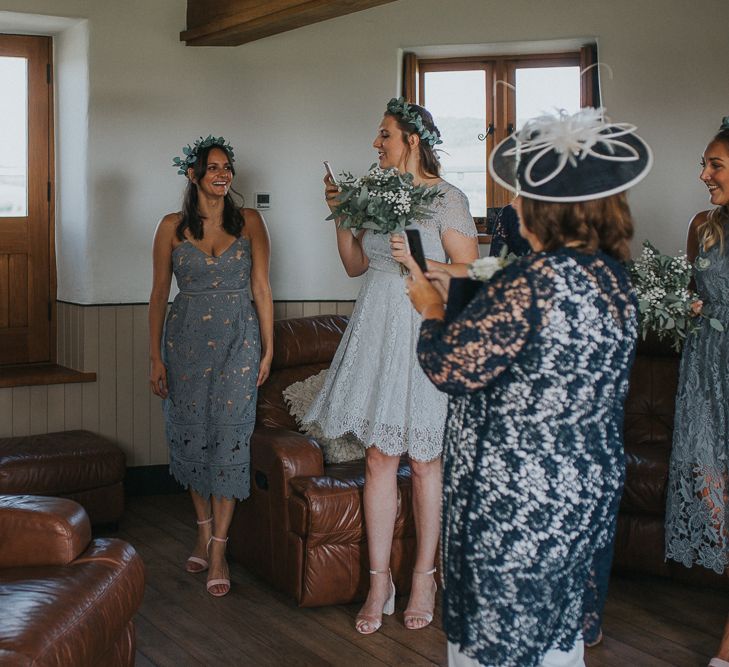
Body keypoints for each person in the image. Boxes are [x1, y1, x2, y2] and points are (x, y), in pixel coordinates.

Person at [403, 108, 652, 666]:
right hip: (581, 488)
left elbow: (450, 366)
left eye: (521, 197)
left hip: (518, 498)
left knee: (501, 646)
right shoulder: (613, 282)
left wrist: (430, 306)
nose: (512, 207)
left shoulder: (534, 282)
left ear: (548, 210)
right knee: (556, 645)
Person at [302, 98, 479, 634]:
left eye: (384, 134)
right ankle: (381, 582)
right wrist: (340, 215)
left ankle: (425, 576)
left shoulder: (448, 199)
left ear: (413, 141)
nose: (376, 143)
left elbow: (469, 276)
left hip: (425, 325)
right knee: (380, 458)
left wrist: (417, 261)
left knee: (426, 461)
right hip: (377, 327)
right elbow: (356, 264)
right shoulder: (370, 194)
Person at [149, 135, 273, 597]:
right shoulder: (170, 227)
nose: (223, 175)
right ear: (194, 175)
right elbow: (159, 295)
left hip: (239, 344)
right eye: (214, 168)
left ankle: (219, 549)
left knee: (229, 441)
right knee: (193, 438)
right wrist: (155, 357)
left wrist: (269, 348)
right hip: (184, 348)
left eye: (227, 168)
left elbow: (261, 288)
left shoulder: (252, 223)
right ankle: (202, 528)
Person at [664, 118, 729, 667]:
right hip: (705, 375)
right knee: (712, 497)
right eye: (705, 164)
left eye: (716, 165)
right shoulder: (702, 226)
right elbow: (690, 294)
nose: (704, 174)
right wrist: (679, 305)